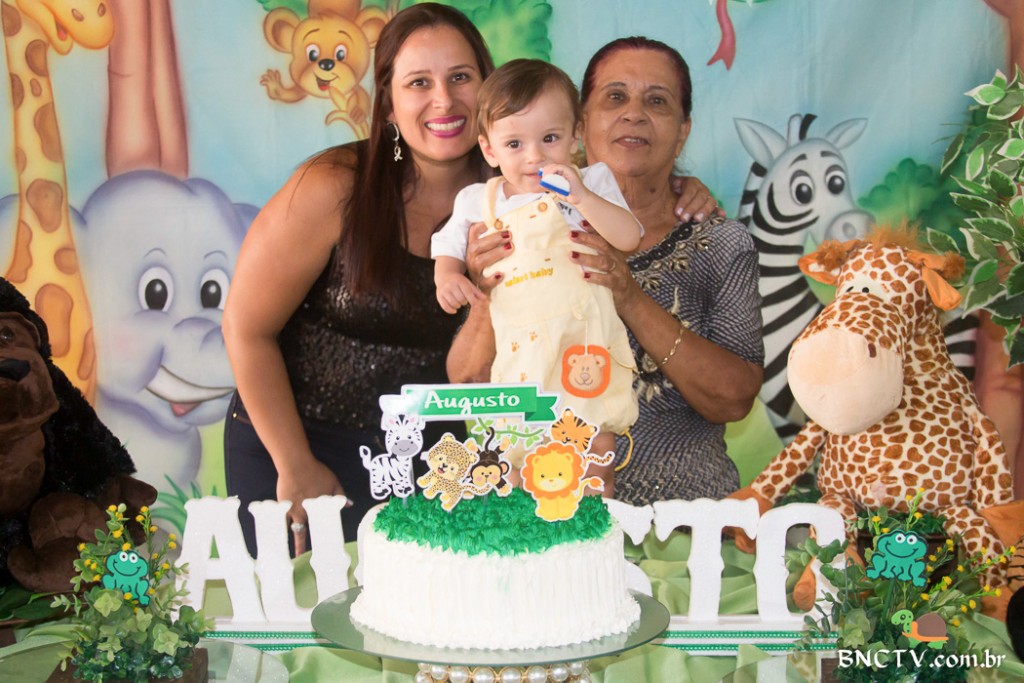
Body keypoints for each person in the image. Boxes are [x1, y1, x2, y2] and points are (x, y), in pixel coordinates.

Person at [221, 3, 495, 554]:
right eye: (419, 83)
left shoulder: (518, 199)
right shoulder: (334, 186)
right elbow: (246, 329)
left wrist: (673, 194)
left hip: (438, 463)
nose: (444, 100)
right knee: (308, 610)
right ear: (389, 103)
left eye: (461, 77)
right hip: (299, 446)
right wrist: (294, 463)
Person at [448, 37, 764, 505]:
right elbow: (467, 382)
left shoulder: (720, 242)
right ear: (583, 121)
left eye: (657, 101)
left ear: (682, 131)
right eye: (615, 97)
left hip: (685, 512)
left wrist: (629, 296)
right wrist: (488, 291)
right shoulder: (513, 226)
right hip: (550, 511)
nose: (634, 114)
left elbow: (733, 398)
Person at [432, 59, 642, 487]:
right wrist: (448, 278)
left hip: (582, 344)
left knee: (594, 456)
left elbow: (629, 237)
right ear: (489, 149)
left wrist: (582, 198)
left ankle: (593, 522)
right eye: (514, 144)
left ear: (575, 135)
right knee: (514, 464)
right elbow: (447, 246)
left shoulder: (592, 182)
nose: (534, 157)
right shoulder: (479, 199)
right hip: (518, 355)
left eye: (550, 138)